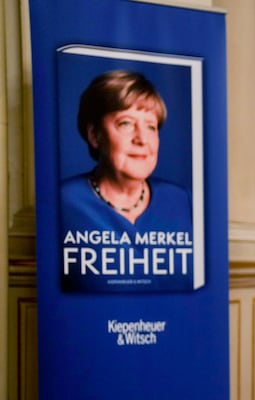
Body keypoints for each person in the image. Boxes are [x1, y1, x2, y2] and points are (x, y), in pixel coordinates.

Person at [60, 70, 194, 292]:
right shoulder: (63, 203)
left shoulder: (182, 200)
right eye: (126, 123)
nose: (141, 139)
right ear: (95, 135)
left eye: (151, 126)